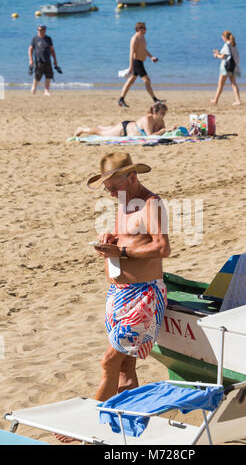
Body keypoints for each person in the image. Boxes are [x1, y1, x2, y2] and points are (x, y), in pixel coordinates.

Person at [55, 152, 170, 443]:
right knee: (124, 366)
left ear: (132, 177)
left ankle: (86, 425)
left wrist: (122, 252)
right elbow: (131, 241)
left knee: (109, 361)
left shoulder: (152, 204)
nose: (108, 192)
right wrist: (113, 243)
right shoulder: (123, 203)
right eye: (105, 187)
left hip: (143, 297)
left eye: (112, 185)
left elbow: (161, 248)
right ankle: (127, 428)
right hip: (119, 293)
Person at [117, 22, 164, 108]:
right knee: (147, 80)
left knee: (130, 81)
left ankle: (121, 99)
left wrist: (151, 57)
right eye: (144, 28)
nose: (146, 29)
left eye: (145, 28)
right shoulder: (135, 38)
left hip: (141, 62)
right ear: (139, 29)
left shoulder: (142, 37)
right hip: (136, 62)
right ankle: (155, 100)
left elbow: (144, 49)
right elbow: (131, 53)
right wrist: (130, 66)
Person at [75, 102, 174, 137]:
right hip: (124, 130)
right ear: (155, 112)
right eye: (162, 113)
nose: (164, 115)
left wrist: (170, 130)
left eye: (164, 113)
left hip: (129, 125)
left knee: (106, 130)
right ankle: (82, 129)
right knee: (101, 133)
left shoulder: (161, 120)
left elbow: (162, 132)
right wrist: (162, 131)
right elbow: (150, 136)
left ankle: (103, 127)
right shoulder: (147, 119)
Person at [210, 30, 241, 106]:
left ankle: (215, 100)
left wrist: (216, 56)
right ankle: (238, 100)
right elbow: (230, 55)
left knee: (220, 84)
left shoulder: (226, 45)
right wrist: (218, 53)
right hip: (233, 66)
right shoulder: (233, 44)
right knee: (233, 84)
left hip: (226, 67)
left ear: (224, 37)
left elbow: (224, 56)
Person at [28, 25, 60, 96]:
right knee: (37, 75)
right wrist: (31, 60)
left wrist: (55, 60)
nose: (39, 31)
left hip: (47, 60)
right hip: (39, 60)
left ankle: (46, 91)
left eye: (40, 30)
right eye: (38, 30)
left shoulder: (48, 39)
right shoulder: (35, 39)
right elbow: (30, 49)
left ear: (44, 30)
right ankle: (34, 88)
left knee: (49, 76)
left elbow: (52, 50)